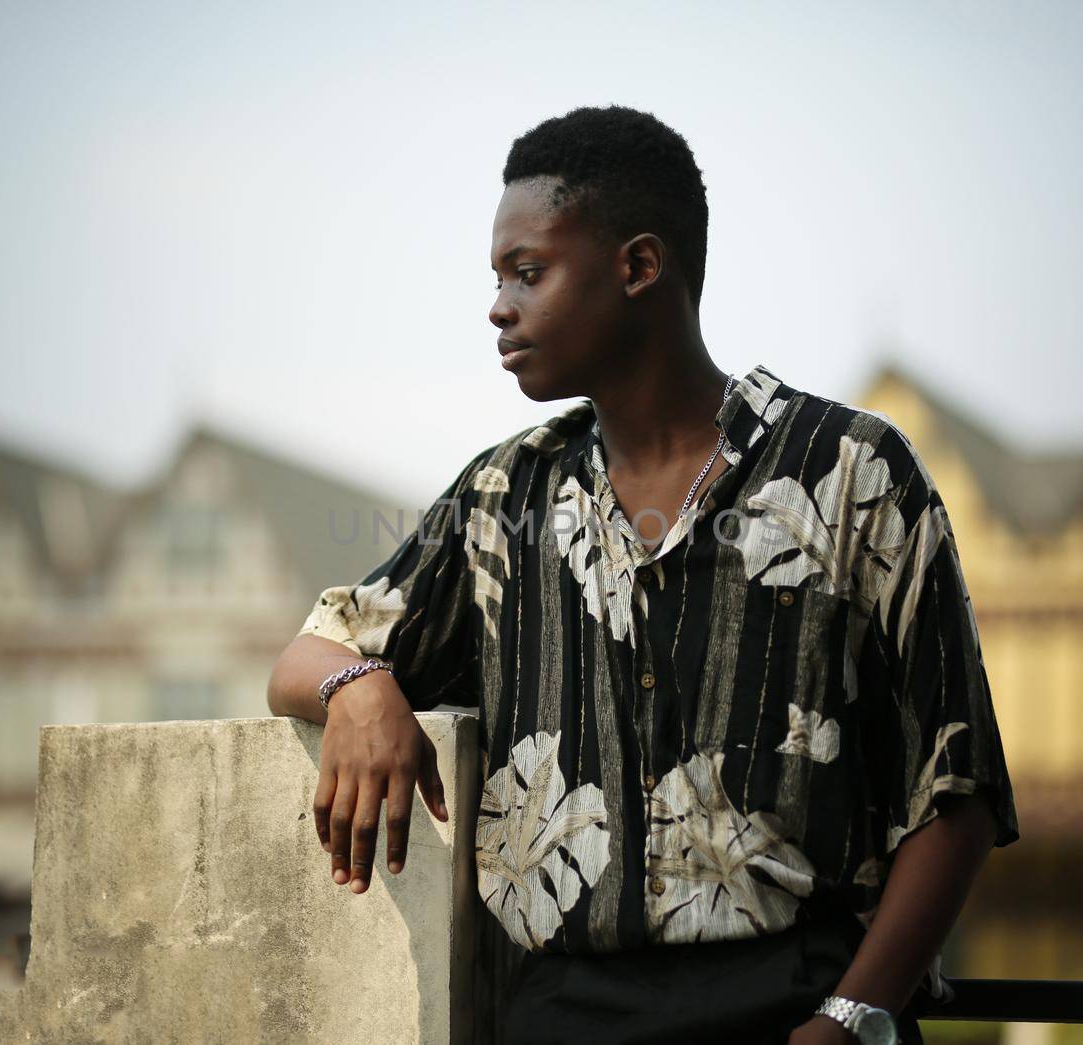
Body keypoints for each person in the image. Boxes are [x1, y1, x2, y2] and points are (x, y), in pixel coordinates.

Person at [267, 104, 1019, 1045]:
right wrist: (359, 682)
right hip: (561, 1014)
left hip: (800, 1000)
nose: (499, 306)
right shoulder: (506, 493)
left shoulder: (853, 471)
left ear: (638, 266)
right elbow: (305, 653)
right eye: (498, 278)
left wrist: (849, 1016)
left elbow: (960, 784)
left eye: (528, 272)